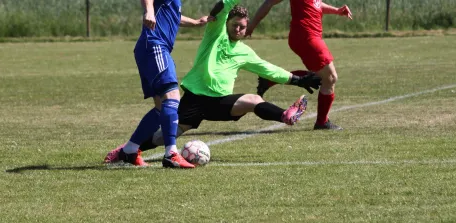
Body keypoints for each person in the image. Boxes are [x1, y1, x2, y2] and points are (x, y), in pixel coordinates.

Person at [133, 0, 322, 154]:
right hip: (195, 99)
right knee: (161, 137)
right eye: (235, 25)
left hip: (220, 102)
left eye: (242, 27)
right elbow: (222, 7)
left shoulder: (244, 52)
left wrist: (298, 80)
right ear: (226, 23)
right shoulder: (215, 33)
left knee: (254, 100)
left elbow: (268, 69)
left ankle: (285, 116)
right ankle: (129, 151)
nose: (238, 30)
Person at [104, 0, 211, 168]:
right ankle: (171, 154)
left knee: (161, 106)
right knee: (172, 97)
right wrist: (149, 11)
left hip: (151, 47)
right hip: (155, 45)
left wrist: (196, 23)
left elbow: (174, 16)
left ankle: (130, 150)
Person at [246, 0, 352, 130]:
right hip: (306, 36)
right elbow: (269, 2)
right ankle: (322, 122)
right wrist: (251, 26)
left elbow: (316, 4)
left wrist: (336, 10)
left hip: (308, 36)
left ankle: (270, 80)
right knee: (330, 77)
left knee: (323, 78)